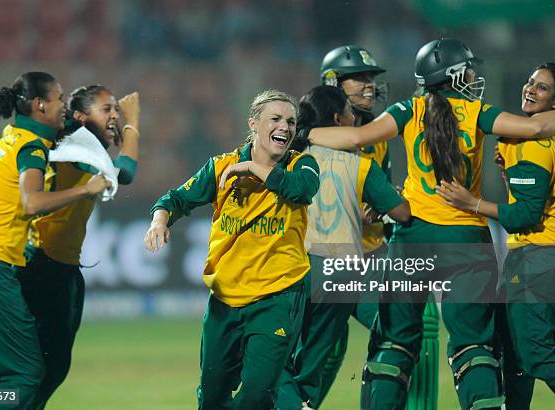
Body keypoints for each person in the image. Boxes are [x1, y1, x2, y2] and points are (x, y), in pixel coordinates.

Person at [305, 38, 555, 409]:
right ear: (455, 76)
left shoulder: (406, 109)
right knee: (474, 345)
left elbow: (356, 136)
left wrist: (301, 133)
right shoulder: (478, 112)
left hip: (412, 240)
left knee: (394, 344)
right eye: (468, 70)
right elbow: (537, 130)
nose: (474, 76)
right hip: (466, 240)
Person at [0, 85, 141, 409]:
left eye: (117, 109)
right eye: (106, 109)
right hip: (49, 268)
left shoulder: (74, 143)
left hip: (47, 265)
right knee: (41, 368)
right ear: (80, 116)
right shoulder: (79, 143)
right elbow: (124, 173)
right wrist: (133, 125)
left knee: (17, 366)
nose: (115, 115)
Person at [144, 90, 320, 410]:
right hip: (224, 301)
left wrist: (254, 170)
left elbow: (302, 191)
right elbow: (174, 200)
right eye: (276, 119)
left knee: (256, 396)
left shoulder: (302, 164)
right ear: (253, 123)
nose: (286, 127)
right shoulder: (221, 166)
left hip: (277, 297)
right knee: (212, 399)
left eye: (291, 121)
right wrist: (159, 221)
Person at [318, 45, 440, 410]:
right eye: (360, 78)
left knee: (413, 326)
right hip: (324, 264)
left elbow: (383, 197)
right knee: (322, 354)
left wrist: (387, 204)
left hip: (370, 258)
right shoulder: (310, 135)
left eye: (372, 78)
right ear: (333, 83)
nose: (370, 86)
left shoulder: (375, 135)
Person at [275, 85, 411, 410]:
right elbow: (402, 213)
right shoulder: (361, 165)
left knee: (271, 358)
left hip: (296, 268)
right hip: (344, 272)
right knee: (312, 367)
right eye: (351, 113)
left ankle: (295, 405)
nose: (357, 119)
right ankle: (304, 402)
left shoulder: (288, 160)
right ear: (338, 119)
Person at [435, 62, 555, 407]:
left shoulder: (532, 143)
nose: (530, 88)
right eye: (530, 81)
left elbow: (523, 216)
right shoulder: (535, 139)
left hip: (538, 257)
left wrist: (472, 203)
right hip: (540, 258)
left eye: (542, 87)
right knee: (516, 358)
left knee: (535, 356)